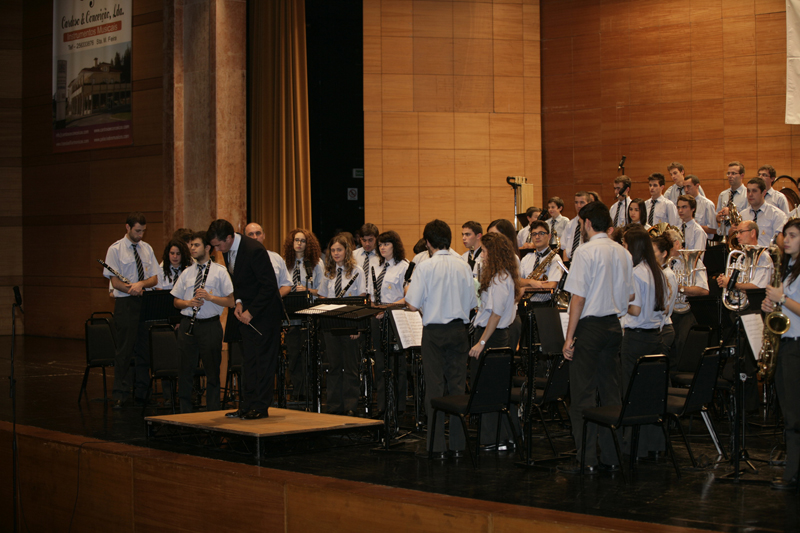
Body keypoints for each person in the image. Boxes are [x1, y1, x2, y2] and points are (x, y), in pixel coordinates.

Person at [559, 201, 634, 474]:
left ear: (588, 223)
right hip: (614, 326)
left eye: (581, 223)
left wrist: (569, 338)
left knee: (583, 396)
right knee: (610, 393)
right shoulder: (623, 252)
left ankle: (587, 458)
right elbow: (630, 294)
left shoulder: (585, 251)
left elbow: (578, 298)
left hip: (590, 328)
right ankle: (613, 456)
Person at [406, 219, 477, 459]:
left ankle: (437, 446)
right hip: (458, 330)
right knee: (457, 386)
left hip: (434, 332)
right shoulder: (463, 266)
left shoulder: (425, 267)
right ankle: (457, 444)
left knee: (434, 388)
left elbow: (412, 304)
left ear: (427, 242)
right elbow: (472, 303)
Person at [208, 219, 282, 420]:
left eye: (218, 245)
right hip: (247, 312)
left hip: (265, 314)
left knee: (263, 362)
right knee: (248, 362)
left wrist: (252, 311)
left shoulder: (254, 250)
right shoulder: (228, 249)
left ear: (229, 238)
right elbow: (238, 282)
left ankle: (260, 407)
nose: (216, 250)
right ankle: (246, 405)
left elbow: (269, 286)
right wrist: (239, 302)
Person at [620, 226, 670, 458]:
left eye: (625, 245)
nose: (623, 248)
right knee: (651, 392)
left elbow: (635, 309)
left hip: (636, 339)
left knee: (632, 392)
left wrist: (618, 301)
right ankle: (655, 444)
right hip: (655, 338)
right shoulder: (657, 271)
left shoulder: (636, 273)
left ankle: (635, 446)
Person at [468, 232, 522, 448]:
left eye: (485, 251)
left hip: (492, 337)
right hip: (494, 335)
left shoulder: (500, 278)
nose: (482, 255)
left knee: (488, 389)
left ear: (495, 253)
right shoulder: (503, 275)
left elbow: (496, 315)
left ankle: (496, 438)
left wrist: (481, 343)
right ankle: (503, 437)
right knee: (494, 388)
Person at [171, 231, 234, 413]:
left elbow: (231, 301)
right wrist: (188, 303)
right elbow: (176, 301)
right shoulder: (187, 272)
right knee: (185, 370)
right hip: (188, 324)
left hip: (210, 326)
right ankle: (185, 412)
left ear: (207, 248)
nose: (192, 248)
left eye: (196, 245)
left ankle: (213, 411)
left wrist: (210, 297)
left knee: (212, 371)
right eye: (191, 245)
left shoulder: (219, 272)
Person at [103, 212, 159, 409]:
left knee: (145, 349)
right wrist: (131, 289)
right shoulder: (115, 249)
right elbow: (115, 281)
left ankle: (143, 392)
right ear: (127, 228)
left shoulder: (147, 248)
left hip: (145, 302)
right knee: (125, 350)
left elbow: (154, 278)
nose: (140, 235)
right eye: (137, 231)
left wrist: (141, 284)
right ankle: (121, 393)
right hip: (126, 303)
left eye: (143, 231)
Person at [762, 218, 800, 490]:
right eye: (786, 235)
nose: (786, 240)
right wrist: (770, 306)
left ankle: (793, 474)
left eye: (793, 235)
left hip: (797, 345)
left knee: (795, 415)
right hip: (785, 344)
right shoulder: (787, 270)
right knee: (789, 413)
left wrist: (782, 299)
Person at [318, 233, 366, 415]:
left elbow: (362, 298)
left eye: (339, 250)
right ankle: (334, 406)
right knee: (334, 366)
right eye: (333, 250)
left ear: (347, 251)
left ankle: (350, 406)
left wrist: (357, 326)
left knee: (351, 367)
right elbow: (322, 296)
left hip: (350, 323)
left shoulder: (357, 271)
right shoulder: (328, 272)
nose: (336, 253)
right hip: (331, 323)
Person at [367, 230, 411, 418]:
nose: (382, 247)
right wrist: (374, 308)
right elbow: (370, 295)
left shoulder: (404, 266)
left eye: (386, 244)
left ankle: (398, 406)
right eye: (380, 244)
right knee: (381, 363)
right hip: (377, 317)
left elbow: (408, 297)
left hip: (395, 316)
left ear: (395, 245)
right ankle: (383, 406)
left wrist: (385, 309)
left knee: (397, 363)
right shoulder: (375, 266)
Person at [282, 228, 325, 400]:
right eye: (296, 240)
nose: (299, 243)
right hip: (290, 313)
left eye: (303, 241)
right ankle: (297, 390)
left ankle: (309, 390)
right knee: (293, 354)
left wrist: (307, 290)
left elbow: (322, 291)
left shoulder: (316, 264)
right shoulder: (285, 263)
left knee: (309, 354)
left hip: (310, 313)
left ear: (308, 244)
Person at [716, 221, 774, 291]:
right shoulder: (741, 257)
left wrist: (731, 284)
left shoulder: (763, 257)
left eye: (741, 232)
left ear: (752, 233)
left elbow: (758, 286)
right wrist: (724, 280)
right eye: (737, 232)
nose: (737, 236)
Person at [245, 222, 293, 297]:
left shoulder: (276, 258)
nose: (255, 237)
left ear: (264, 236)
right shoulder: (240, 260)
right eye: (250, 234)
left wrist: (273, 298)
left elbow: (286, 285)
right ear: (245, 238)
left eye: (258, 233)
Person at [519, 220, 564, 296]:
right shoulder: (526, 258)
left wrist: (525, 288)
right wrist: (531, 282)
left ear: (549, 236)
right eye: (534, 234)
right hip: (526, 301)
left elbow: (552, 285)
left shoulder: (555, 258)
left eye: (541, 233)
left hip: (545, 302)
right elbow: (517, 281)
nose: (537, 237)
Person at [740, 177, 787, 247]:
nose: (750, 194)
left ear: (764, 193)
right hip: (746, 252)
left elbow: (779, 243)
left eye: (754, 191)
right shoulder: (742, 215)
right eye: (748, 191)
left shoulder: (777, 215)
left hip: (767, 253)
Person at [716, 161, 749, 240]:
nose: (730, 176)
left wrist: (731, 213)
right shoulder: (723, 195)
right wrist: (718, 217)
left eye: (733, 173)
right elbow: (717, 216)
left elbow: (748, 217)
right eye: (728, 173)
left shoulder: (747, 195)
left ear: (742, 175)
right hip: (724, 235)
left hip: (739, 236)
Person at [683, 175, 717, 241]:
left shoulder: (707, 204)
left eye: (689, 186)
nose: (686, 190)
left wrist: (693, 226)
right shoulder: (682, 204)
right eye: (684, 187)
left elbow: (713, 229)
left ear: (697, 186)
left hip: (702, 240)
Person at [561, 191, 590, 261]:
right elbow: (564, 247)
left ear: (589, 203)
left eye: (582, 202)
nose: (578, 206)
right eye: (576, 202)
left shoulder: (591, 225)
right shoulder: (570, 224)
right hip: (570, 261)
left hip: (585, 260)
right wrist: (566, 264)